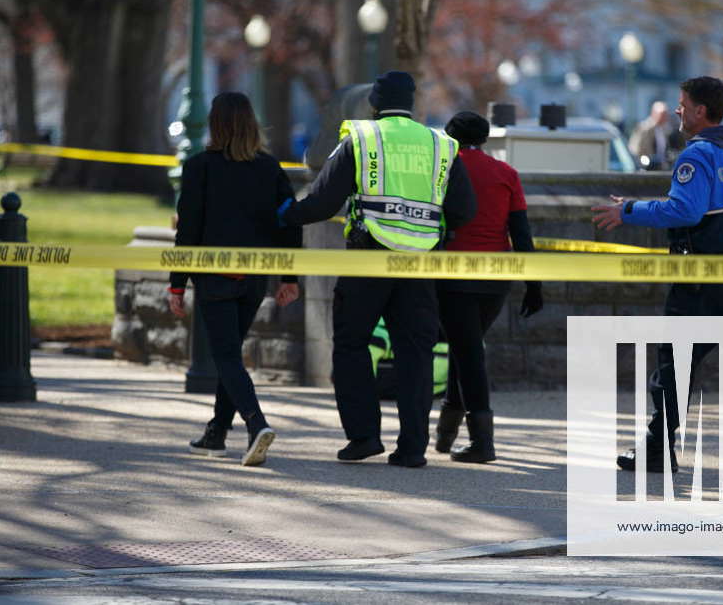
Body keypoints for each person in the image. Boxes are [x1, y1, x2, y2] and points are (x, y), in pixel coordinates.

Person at [592, 76, 723, 480]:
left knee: (674, 369)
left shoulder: (698, 157)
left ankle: (657, 452)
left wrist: (629, 211)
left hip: (700, 283)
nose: (678, 110)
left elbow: (684, 212)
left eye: (682, 104)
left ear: (700, 111)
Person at [278, 71, 477, 468]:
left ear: (374, 104)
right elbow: (463, 211)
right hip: (420, 264)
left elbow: (322, 202)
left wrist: (284, 214)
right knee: (415, 354)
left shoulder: (362, 139)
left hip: (368, 258)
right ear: (414, 104)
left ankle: (364, 436)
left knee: (352, 344)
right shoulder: (441, 145)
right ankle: (412, 448)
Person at [168, 91, 301, 467]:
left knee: (226, 356)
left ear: (215, 124)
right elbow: (287, 224)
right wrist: (289, 276)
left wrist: (177, 283)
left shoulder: (199, 168)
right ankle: (216, 433)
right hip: (255, 277)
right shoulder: (270, 168)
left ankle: (256, 424)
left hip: (215, 276)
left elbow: (188, 229)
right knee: (231, 358)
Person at [432, 111, 543, 464]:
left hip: (454, 274)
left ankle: (482, 442)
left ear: (450, 136)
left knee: (468, 350)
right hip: (497, 277)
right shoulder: (506, 173)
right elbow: (522, 234)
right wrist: (533, 284)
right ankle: (446, 433)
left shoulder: (443, 168)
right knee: (465, 345)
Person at [627, 101, 683, 170]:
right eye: (662, 115)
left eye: (666, 114)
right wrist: (643, 160)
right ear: (654, 114)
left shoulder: (665, 129)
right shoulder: (644, 128)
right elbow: (634, 148)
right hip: (647, 166)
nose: (665, 117)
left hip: (661, 165)